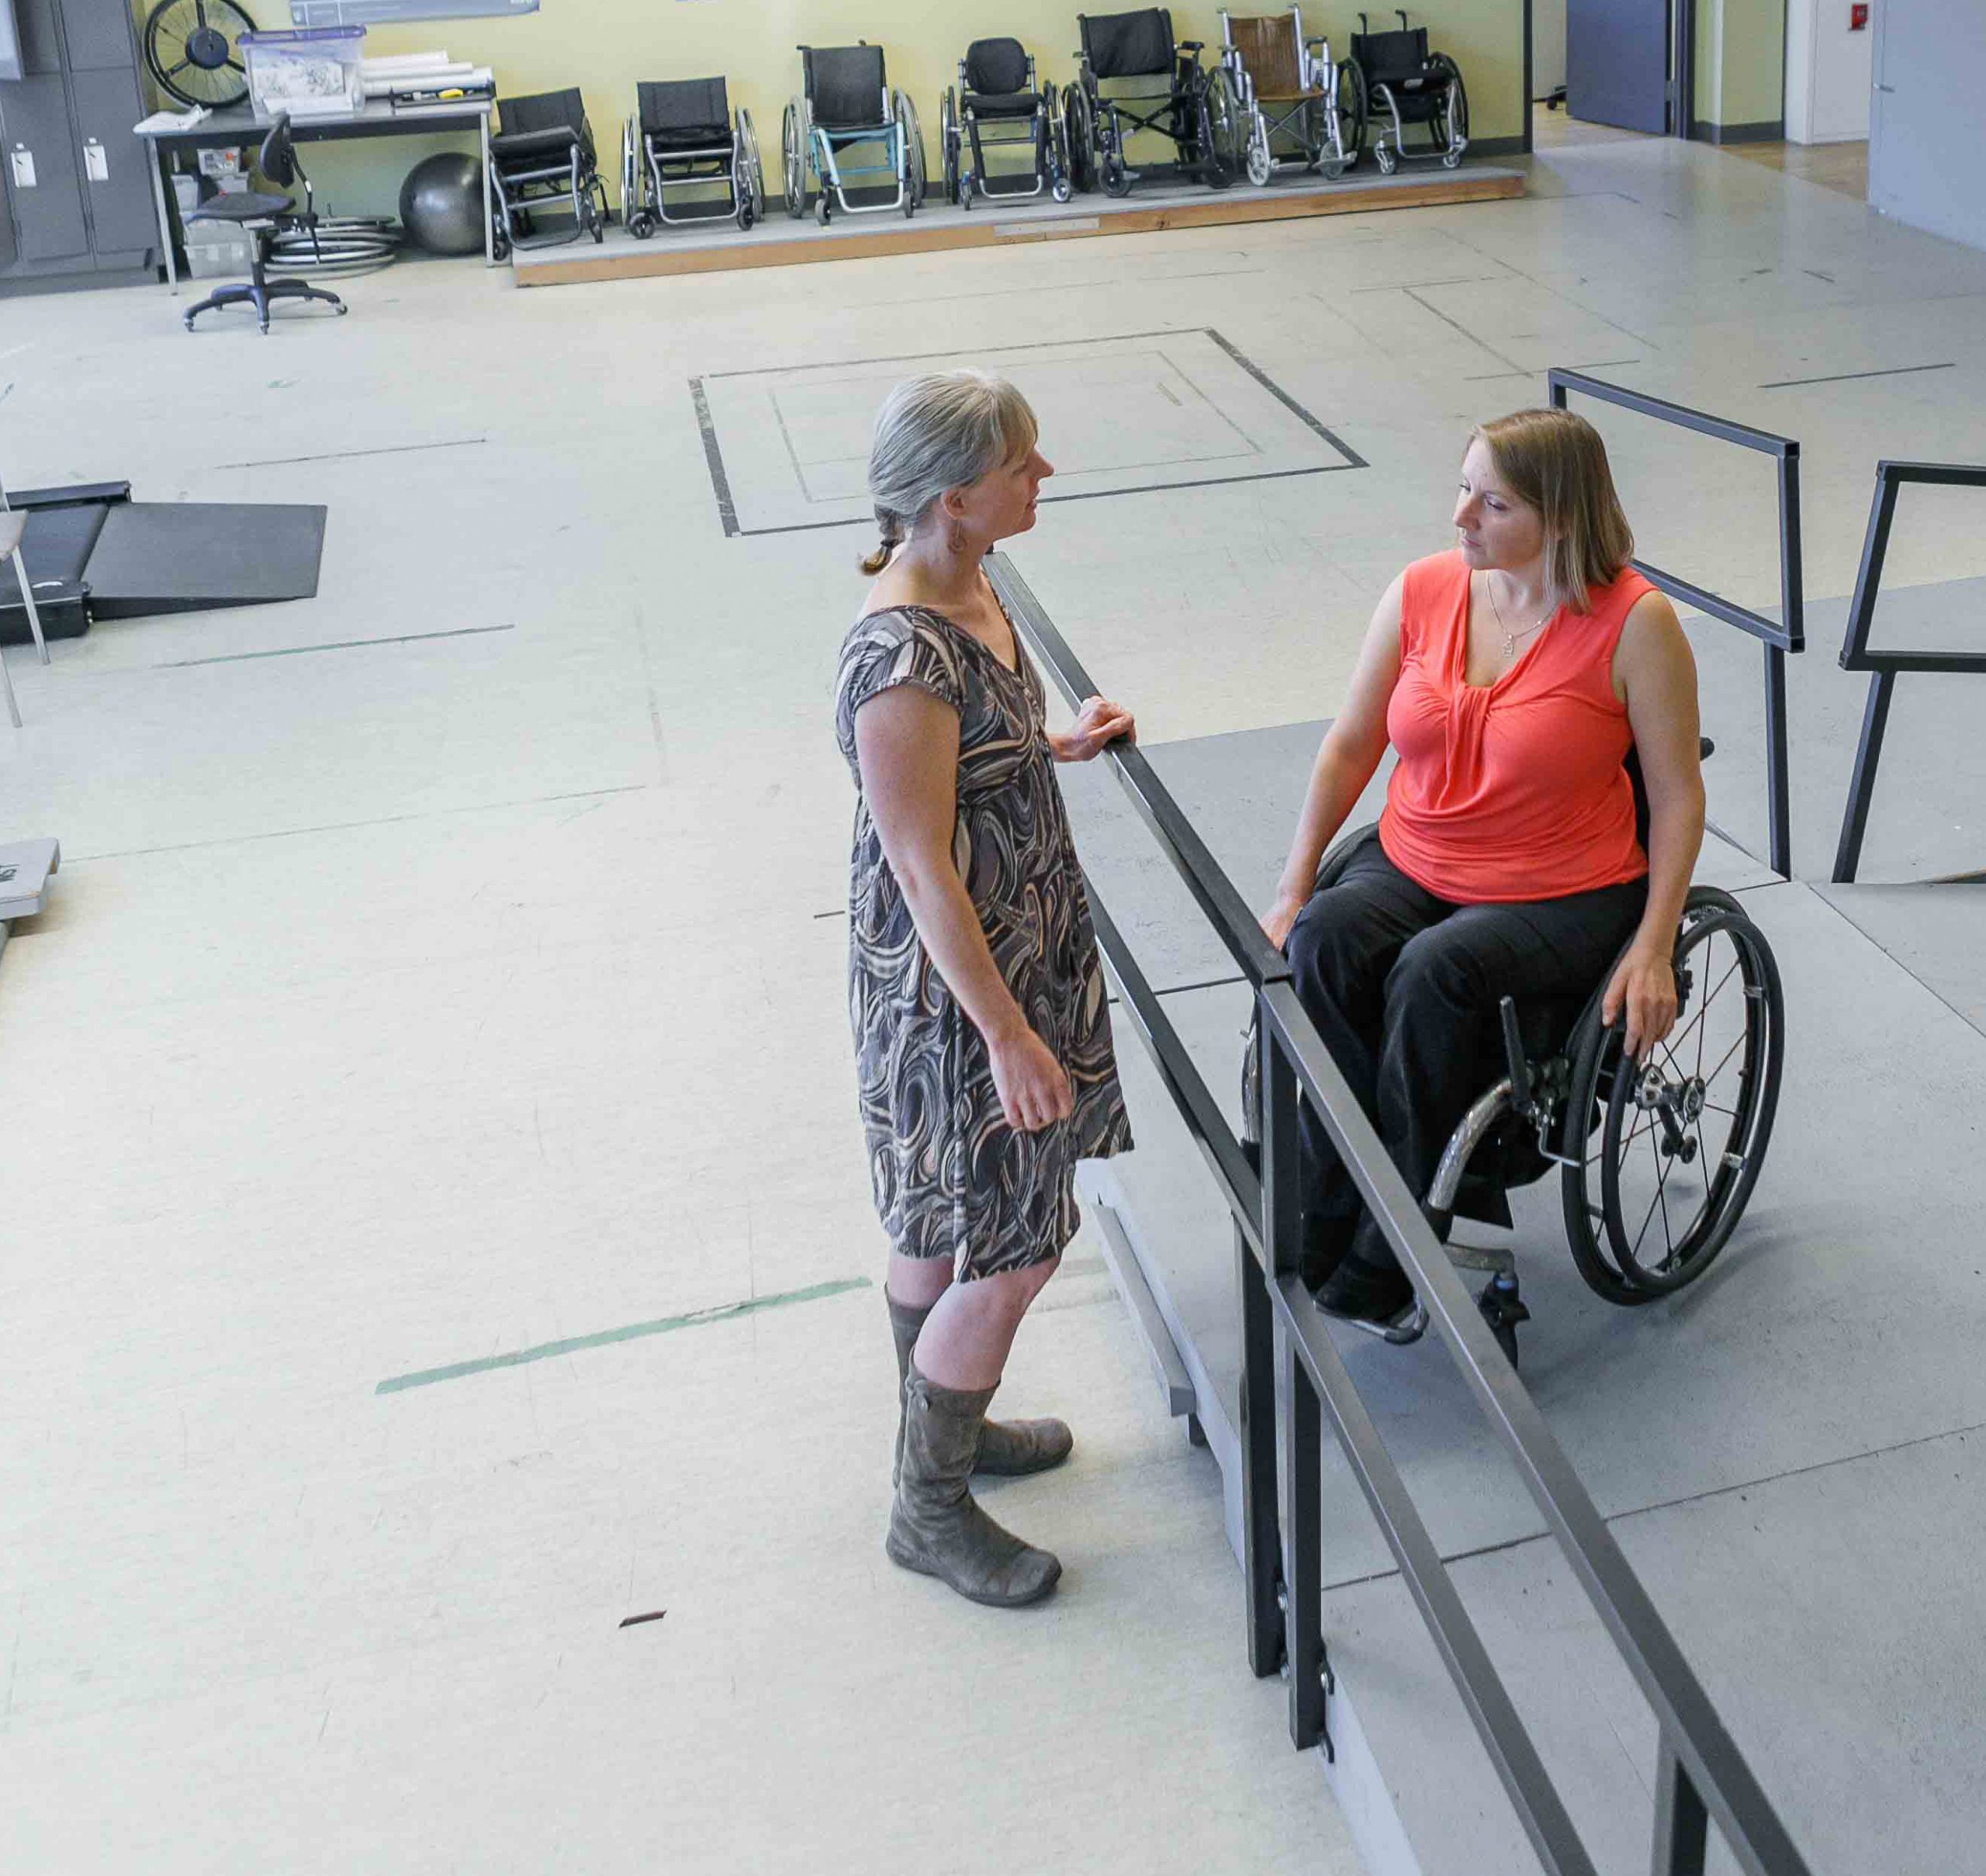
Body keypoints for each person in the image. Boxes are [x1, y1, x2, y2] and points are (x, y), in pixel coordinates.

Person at [1261, 408, 1704, 1324]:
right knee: (1322, 942)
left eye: (1492, 502)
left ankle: (1393, 1248)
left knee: (1435, 972)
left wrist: (1655, 944)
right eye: (1463, 488)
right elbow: (1350, 747)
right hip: (1413, 854)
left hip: (1566, 886)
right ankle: (1333, 1196)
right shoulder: (1422, 590)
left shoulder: (1637, 624)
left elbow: (1676, 796)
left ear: (1562, 517)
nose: (1460, 516)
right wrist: (1294, 884)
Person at [833, 370, 1136, 1609]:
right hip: (967, 989)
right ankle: (932, 1502)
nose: (1043, 474)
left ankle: (944, 1420)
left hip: (1015, 949)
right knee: (1009, 1248)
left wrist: (1049, 745)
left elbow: (963, 769)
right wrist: (1007, 1034)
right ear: (954, 497)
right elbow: (920, 865)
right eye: (1022, 461)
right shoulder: (900, 653)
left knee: (936, 1226)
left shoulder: (972, 583)